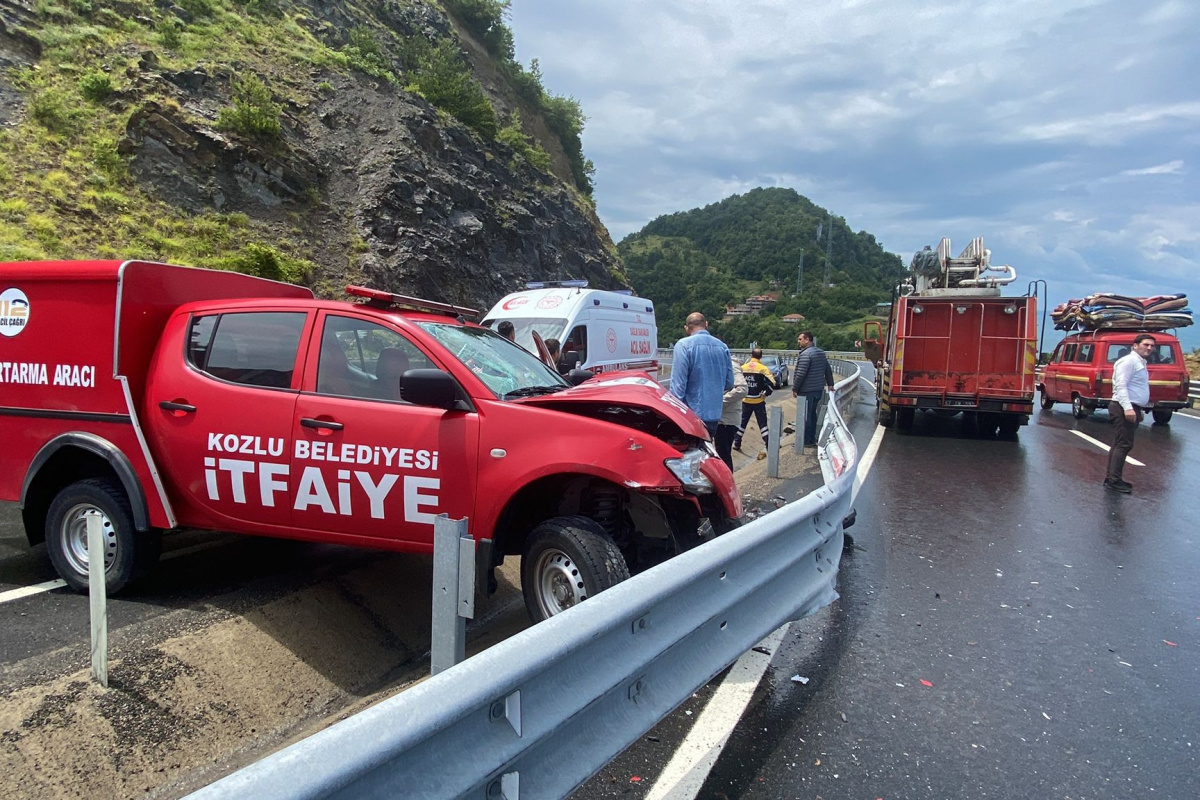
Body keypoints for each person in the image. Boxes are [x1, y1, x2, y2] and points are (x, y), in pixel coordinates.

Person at [669, 312, 734, 438]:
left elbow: (678, 388)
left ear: (686, 328)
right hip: (714, 415)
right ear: (706, 325)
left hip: (690, 417)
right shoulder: (722, 347)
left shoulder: (683, 345)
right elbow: (729, 382)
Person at [1104, 333, 1155, 493]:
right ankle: (1114, 480)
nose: (1149, 348)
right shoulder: (1128, 361)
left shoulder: (1140, 362)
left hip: (1131, 406)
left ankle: (1112, 478)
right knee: (1124, 444)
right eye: (1146, 344)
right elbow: (1121, 385)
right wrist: (1128, 408)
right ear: (1135, 345)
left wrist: (1137, 408)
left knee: (1120, 443)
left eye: (1152, 346)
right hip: (1122, 406)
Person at [792, 331, 835, 448]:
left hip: (807, 390)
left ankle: (806, 441)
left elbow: (800, 374)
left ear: (807, 340)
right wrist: (830, 384)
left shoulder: (806, 355)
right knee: (812, 414)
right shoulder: (820, 353)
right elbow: (827, 369)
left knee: (806, 416)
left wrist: (795, 388)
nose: (798, 341)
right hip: (818, 389)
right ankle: (811, 438)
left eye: (800, 339)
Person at [733, 348, 775, 461]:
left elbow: (735, 381)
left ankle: (737, 442)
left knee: (742, 423)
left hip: (745, 400)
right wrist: (765, 393)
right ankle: (768, 445)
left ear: (751, 355)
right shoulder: (763, 369)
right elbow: (772, 383)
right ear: (761, 356)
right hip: (758, 401)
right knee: (763, 425)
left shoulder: (743, 368)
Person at [716, 356, 748, 470]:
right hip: (716, 418)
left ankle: (728, 486)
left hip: (726, 420)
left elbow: (742, 389)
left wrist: (719, 402)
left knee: (723, 457)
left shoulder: (731, 365)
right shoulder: (715, 363)